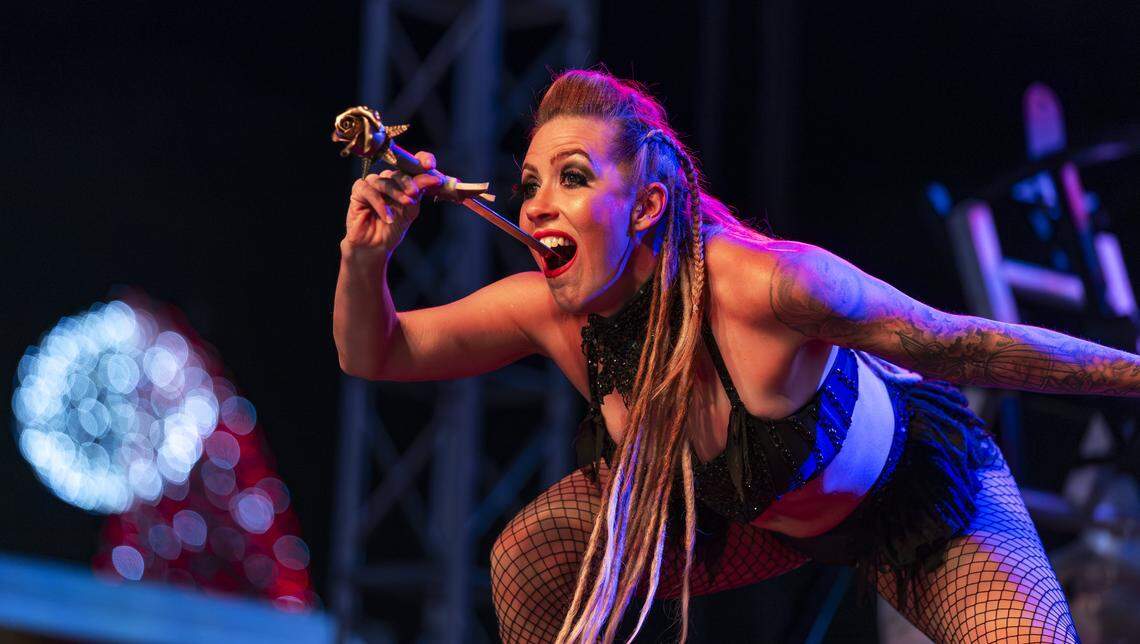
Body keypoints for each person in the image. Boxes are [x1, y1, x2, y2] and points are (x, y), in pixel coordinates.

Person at [332, 69, 1118, 642]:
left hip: (918, 504)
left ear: (646, 205)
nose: (537, 202)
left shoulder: (774, 287)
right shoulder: (549, 311)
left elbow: (968, 345)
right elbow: (380, 353)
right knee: (532, 554)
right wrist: (366, 260)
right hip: (751, 521)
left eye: (572, 178)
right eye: (531, 181)